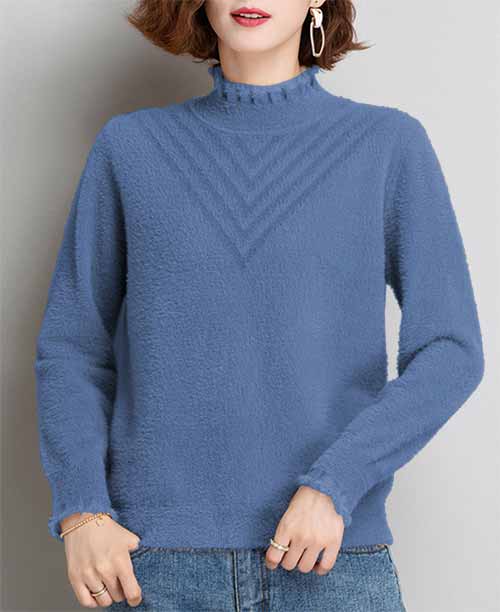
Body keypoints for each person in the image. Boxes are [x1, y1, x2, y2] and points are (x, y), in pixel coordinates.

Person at [33, 1, 484, 610]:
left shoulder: (387, 145)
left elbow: (451, 351)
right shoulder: (131, 149)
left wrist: (336, 484)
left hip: (330, 559)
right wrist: (81, 511)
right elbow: (72, 348)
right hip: (154, 565)